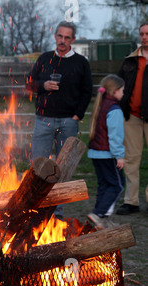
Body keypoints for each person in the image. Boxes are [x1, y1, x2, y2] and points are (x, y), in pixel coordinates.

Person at [26, 21, 93, 218]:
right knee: (37, 165)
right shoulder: (45, 59)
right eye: (60, 36)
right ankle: (32, 208)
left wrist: (77, 116)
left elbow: (87, 91)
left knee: (62, 168)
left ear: (73, 39)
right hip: (43, 120)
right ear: (55, 36)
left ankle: (56, 212)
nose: (62, 41)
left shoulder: (81, 63)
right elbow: (30, 84)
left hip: (68, 122)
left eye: (67, 38)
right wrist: (43, 84)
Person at [116, 22, 148, 215]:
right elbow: (118, 86)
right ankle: (132, 201)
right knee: (131, 160)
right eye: (142, 34)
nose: (144, 37)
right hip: (132, 117)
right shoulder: (130, 61)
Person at [87, 75, 126, 230]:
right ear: (115, 91)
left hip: (96, 153)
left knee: (104, 185)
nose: (124, 93)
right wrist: (119, 156)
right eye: (123, 90)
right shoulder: (114, 109)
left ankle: (101, 219)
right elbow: (115, 136)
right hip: (107, 154)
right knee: (117, 185)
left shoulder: (101, 104)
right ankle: (98, 213)